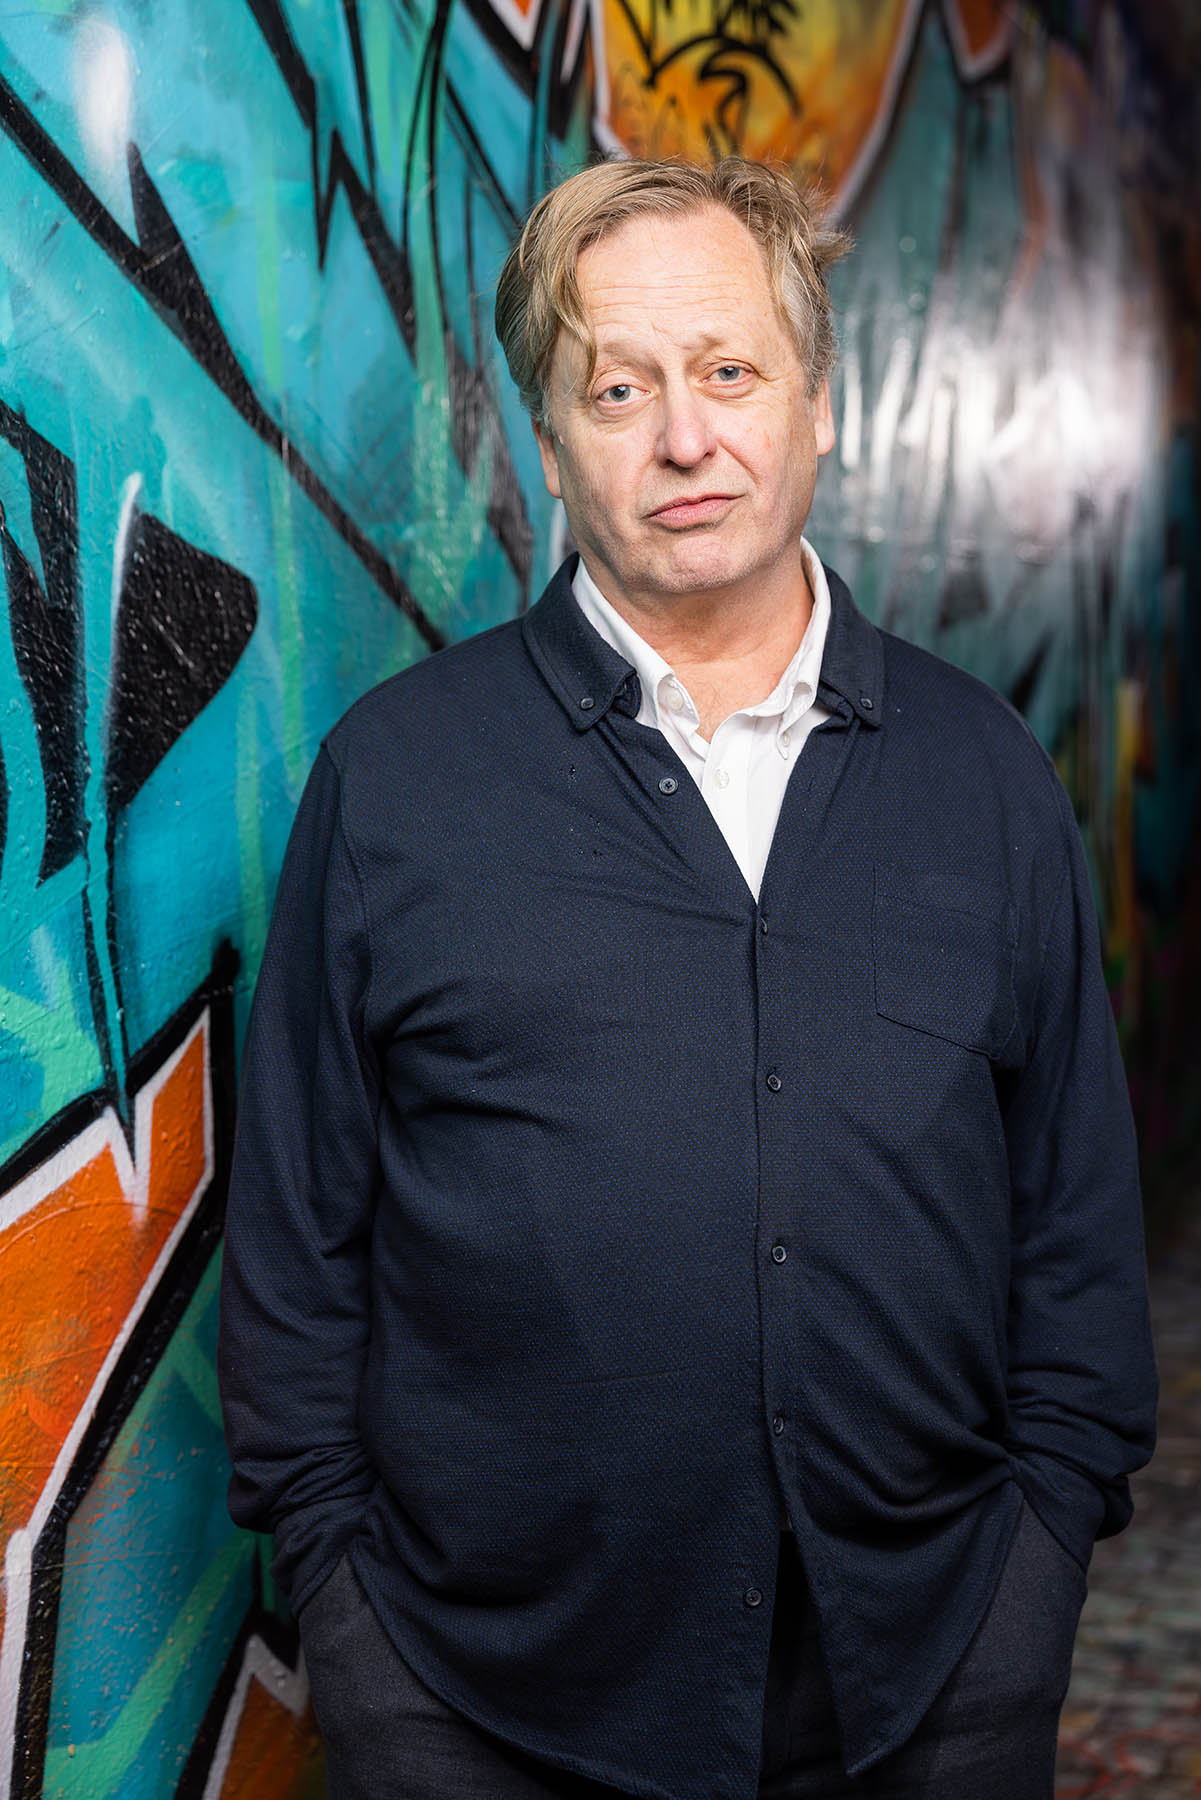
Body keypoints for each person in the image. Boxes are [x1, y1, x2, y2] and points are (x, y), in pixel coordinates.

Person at [218, 157, 1157, 1800]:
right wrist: (353, 1631)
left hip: (929, 1686)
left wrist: (1029, 1586)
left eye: (728, 372)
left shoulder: (984, 775)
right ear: (548, 440)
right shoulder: (398, 781)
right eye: (617, 388)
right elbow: (298, 1248)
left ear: (818, 404)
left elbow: (1072, 1223)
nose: (681, 438)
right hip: (477, 1706)